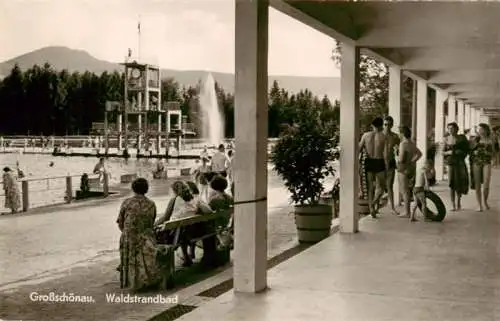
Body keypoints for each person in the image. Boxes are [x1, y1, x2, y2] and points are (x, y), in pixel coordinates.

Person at [117, 178, 161, 291]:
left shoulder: (127, 202)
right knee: (143, 240)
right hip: (145, 237)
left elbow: (120, 222)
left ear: (133, 189)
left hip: (129, 236)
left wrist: (127, 232)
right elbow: (151, 222)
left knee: (129, 240)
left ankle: (131, 281)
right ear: (146, 189)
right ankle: (143, 280)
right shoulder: (151, 204)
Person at [358, 117, 389, 218]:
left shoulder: (365, 135)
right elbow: (386, 154)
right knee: (383, 186)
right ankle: (374, 203)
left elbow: (358, 149)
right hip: (379, 161)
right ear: (381, 126)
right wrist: (387, 166)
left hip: (369, 161)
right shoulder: (384, 136)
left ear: (372, 125)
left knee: (370, 187)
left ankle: (371, 207)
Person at [396, 126, 422, 219]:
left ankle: (407, 212)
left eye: (399, 133)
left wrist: (396, 154)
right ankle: (407, 211)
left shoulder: (403, 144)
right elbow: (419, 154)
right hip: (410, 168)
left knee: (404, 191)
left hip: (403, 168)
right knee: (408, 190)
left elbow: (401, 158)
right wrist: (412, 161)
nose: (399, 135)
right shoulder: (412, 143)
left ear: (402, 133)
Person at [443, 122, 469, 211]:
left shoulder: (462, 138)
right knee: (451, 183)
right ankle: (453, 204)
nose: (450, 130)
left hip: (460, 162)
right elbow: (442, 152)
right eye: (449, 128)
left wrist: (455, 152)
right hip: (451, 163)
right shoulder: (446, 139)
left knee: (459, 182)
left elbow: (466, 151)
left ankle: (458, 202)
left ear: (456, 129)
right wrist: (449, 153)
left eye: (452, 128)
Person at [470, 123, 494, 211]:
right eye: (479, 130)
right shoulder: (475, 139)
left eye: (482, 129)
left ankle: (485, 201)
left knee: (486, 184)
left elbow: (494, 153)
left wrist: (487, 153)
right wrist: (474, 152)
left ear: (486, 130)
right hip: (477, 162)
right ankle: (479, 204)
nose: (480, 131)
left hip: (487, 162)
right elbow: (470, 151)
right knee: (477, 185)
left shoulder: (491, 139)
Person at [383, 116, 400, 215]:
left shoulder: (395, 137)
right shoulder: (379, 135)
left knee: (389, 186)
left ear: (392, 125)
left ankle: (392, 207)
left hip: (391, 162)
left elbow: (400, 148)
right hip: (380, 162)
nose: (387, 127)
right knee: (379, 186)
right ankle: (375, 207)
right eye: (385, 124)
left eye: (389, 125)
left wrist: (398, 152)